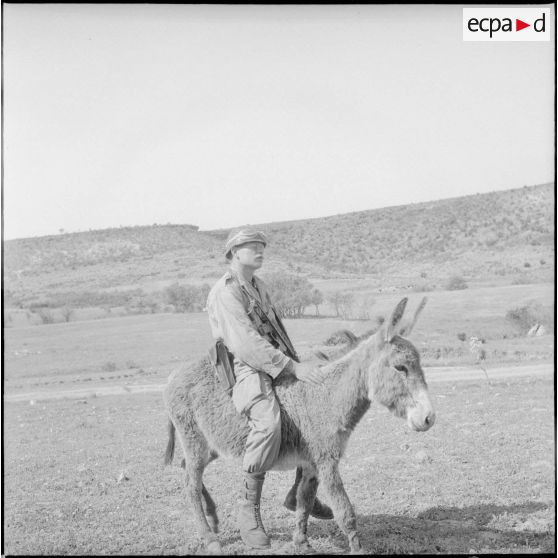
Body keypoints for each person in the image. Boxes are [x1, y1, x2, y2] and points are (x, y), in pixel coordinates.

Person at [206, 227, 333, 549]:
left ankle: (299, 493)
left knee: (313, 413)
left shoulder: (257, 285)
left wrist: (299, 362)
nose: (260, 251)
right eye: (251, 246)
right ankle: (248, 509)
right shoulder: (227, 291)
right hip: (245, 364)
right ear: (234, 253)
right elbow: (245, 344)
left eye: (261, 246)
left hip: (274, 360)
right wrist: (292, 368)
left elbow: (274, 330)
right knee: (268, 422)